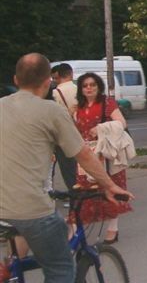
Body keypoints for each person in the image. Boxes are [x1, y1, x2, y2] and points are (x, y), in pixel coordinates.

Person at [0, 54, 132, 283]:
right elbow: (83, 155)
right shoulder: (52, 111)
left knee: (15, 257)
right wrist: (109, 185)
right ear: (47, 82)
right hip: (31, 209)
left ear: (15, 79)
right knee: (61, 266)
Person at [74, 72, 133, 244]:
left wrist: (101, 128)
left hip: (105, 154)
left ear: (99, 86)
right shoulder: (79, 106)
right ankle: (77, 229)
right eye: (85, 85)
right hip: (86, 155)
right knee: (85, 191)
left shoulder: (106, 103)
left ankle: (112, 229)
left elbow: (121, 123)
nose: (89, 88)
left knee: (110, 189)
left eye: (92, 84)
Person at [51, 63, 78, 190]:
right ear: (71, 73)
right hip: (80, 131)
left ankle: (73, 191)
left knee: (67, 167)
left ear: (58, 75)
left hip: (63, 135)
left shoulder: (55, 93)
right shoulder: (79, 89)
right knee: (81, 165)